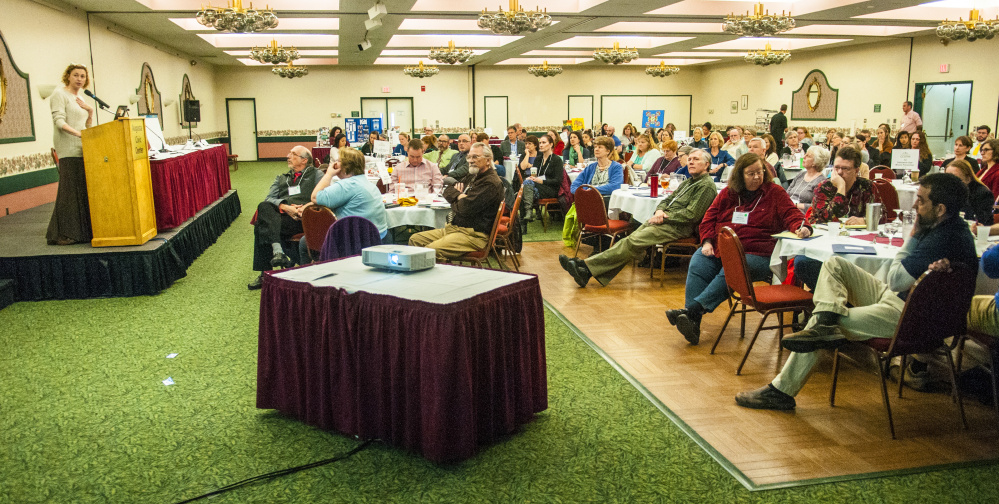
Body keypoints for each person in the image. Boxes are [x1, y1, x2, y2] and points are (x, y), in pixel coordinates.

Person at [735, 173, 977, 410]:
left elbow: (894, 280)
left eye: (921, 200)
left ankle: (781, 391)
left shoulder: (941, 238)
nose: (914, 204)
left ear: (941, 209)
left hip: (910, 318)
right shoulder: (953, 228)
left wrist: (912, 236)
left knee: (818, 330)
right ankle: (826, 319)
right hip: (907, 303)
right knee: (835, 264)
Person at [665, 153, 811, 344]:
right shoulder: (728, 193)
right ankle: (693, 323)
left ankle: (692, 311)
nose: (757, 177)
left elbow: (792, 215)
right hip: (721, 248)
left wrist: (803, 227)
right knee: (699, 261)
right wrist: (708, 241)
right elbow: (708, 219)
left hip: (757, 254)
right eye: (751, 173)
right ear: (740, 175)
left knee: (735, 267)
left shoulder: (775, 192)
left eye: (759, 172)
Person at [558, 148, 718, 287]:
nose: (690, 162)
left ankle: (585, 267)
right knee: (629, 241)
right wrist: (659, 211)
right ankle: (586, 271)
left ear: (706, 164)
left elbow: (692, 214)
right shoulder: (689, 182)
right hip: (665, 221)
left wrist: (664, 217)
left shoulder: (706, 186)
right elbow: (668, 199)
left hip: (678, 228)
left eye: (696, 159)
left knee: (632, 242)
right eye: (689, 159)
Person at [793, 146, 877, 289]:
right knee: (802, 263)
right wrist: (841, 189)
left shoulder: (867, 187)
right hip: (826, 244)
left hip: (859, 245)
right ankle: (830, 297)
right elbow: (822, 219)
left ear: (857, 170)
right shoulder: (824, 187)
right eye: (836, 167)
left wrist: (865, 220)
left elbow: (882, 216)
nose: (839, 172)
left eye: (845, 169)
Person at [409, 142, 504, 261]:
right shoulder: (474, 175)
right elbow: (447, 189)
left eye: (475, 157)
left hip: (474, 235)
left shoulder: (490, 183)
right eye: (469, 157)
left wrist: (458, 198)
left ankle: (441, 278)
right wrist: (459, 196)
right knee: (415, 239)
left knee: (431, 251)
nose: (470, 160)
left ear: (488, 160)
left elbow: (464, 209)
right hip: (456, 229)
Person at [247, 146, 322, 290]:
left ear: (304, 160)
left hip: (303, 218)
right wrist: (286, 207)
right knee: (263, 206)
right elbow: (270, 198)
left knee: (261, 226)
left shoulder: (316, 174)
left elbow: (324, 194)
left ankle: (266, 272)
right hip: (284, 218)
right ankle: (278, 252)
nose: (288, 156)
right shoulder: (281, 178)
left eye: (293, 154)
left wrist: (304, 206)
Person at [47, 63, 95, 246]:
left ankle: (80, 232)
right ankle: (61, 234)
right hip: (68, 148)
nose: (79, 79)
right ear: (68, 76)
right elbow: (59, 122)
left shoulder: (80, 97)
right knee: (69, 192)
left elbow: (87, 127)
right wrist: (78, 134)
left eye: (83, 76)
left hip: (83, 148)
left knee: (81, 190)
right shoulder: (60, 94)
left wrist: (90, 112)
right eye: (76, 75)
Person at [311, 146, 389, 243]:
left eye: (338, 161)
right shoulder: (369, 184)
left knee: (305, 242)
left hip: (355, 241)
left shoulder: (346, 185)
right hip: (379, 236)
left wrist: (328, 174)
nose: (335, 163)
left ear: (345, 166)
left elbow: (314, 197)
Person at [522, 134, 564, 220]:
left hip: (551, 189)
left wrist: (541, 181)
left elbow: (557, 181)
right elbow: (535, 175)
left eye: (544, 142)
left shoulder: (557, 160)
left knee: (522, 191)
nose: (540, 145)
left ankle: (529, 212)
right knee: (527, 182)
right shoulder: (538, 159)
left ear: (551, 144)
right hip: (537, 186)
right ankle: (529, 213)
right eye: (540, 142)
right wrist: (532, 178)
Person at [945, 159, 993, 225]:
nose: (950, 181)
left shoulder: (982, 193)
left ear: (968, 178)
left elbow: (981, 221)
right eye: (947, 177)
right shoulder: (945, 192)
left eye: (955, 177)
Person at [786, 146, 829, 211]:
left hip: (802, 213)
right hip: (788, 208)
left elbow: (818, 207)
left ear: (815, 162)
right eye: (805, 154)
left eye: (808, 156)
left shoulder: (822, 181)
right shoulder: (801, 174)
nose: (804, 157)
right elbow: (787, 192)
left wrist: (795, 205)